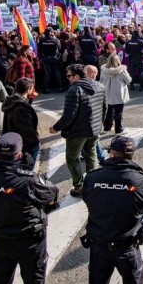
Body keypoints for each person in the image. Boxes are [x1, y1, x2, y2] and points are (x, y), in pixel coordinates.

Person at [0, 132, 59, 284]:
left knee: (0, 283)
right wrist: (25, 169)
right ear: (19, 155)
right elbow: (51, 193)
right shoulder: (28, 180)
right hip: (29, 242)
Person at [81, 135, 143, 284]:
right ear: (132, 155)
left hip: (99, 246)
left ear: (112, 154)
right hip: (127, 248)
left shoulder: (92, 177)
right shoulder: (142, 180)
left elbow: (87, 198)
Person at [49, 64, 106, 197]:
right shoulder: (100, 85)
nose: (67, 78)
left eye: (69, 75)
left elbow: (69, 115)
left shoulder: (74, 90)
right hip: (94, 129)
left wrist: (56, 128)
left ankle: (79, 187)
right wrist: (100, 123)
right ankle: (93, 184)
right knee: (91, 156)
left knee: (72, 158)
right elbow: (105, 107)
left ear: (76, 76)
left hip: (77, 132)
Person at [2, 78, 40, 164]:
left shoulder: (11, 101)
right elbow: (25, 128)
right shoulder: (21, 107)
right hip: (24, 144)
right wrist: (35, 141)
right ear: (28, 90)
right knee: (28, 166)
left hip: (14, 141)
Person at [100, 53, 132, 134]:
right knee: (118, 113)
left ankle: (107, 127)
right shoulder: (122, 70)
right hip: (119, 94)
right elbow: (129, 80)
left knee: (109, 111)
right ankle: (119, 130)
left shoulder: (103, 70)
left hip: (107, 93)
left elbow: (101, 80)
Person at [37, 27, 62, 93]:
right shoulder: (56, 40)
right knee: (57, 72)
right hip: (54, 58)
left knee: (47, 73)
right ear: (51, 32)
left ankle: (45, 88)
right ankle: (60, 87)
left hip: (46, 59)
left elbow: (39, 49)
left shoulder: (42, 40)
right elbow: (59, 48)